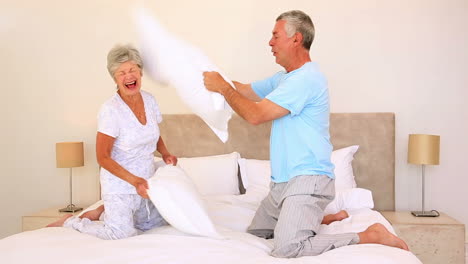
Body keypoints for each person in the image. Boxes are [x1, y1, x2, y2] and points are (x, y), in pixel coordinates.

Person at [203, 10, 408, 258]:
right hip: (282, 183)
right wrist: (205, 75)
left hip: (307, 181)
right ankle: (323, 219)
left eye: (275, 36)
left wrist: (222, 88)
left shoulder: (306, 80)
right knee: (257, 234)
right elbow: (245, 90)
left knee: (288, 248)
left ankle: (370, 234)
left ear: (296, 39)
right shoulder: (285, 79)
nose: (270, 42)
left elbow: (255, 115)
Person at [47, 44, 177, 240]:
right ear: (115, 78)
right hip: (121, 185)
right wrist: (135, 181)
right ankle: (72, 222)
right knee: (120, 234)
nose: (128, 76)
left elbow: (153, 133)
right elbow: (103, 157)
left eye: (132, 70)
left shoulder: (150, 100)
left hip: (146, 182)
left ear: (140, 73)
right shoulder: (110, 110)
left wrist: (165, 153)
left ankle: (103, 210)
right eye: (121, 72)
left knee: (155, 225)